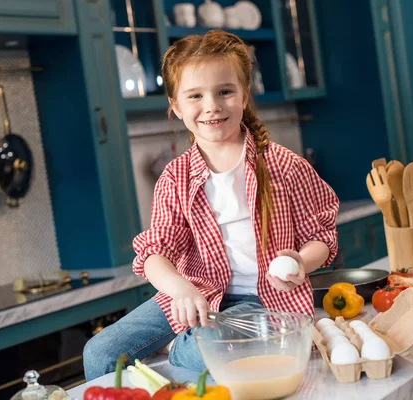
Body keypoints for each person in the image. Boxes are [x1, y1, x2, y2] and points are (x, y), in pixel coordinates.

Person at [83, 30, 339, 380]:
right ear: (175, 105)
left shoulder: (284, 166)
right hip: (198, 293)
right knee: (100, 352)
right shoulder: (176, 177)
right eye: (195, 96)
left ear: (244, 95)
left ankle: (184, 346)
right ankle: (186, 343)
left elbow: (322, 236)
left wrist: (300, 262)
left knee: (201, 351)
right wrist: (180, 289)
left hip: (262, 300)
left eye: (224, 92)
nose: (212, 106)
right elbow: (155, 253)